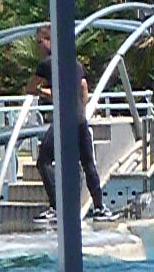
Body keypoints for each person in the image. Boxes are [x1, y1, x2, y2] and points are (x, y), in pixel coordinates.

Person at [25, 25, 107, 220]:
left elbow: (30, 88)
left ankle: (56, 206)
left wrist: (41, 91)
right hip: (80, 118)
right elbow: (83, 87)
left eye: (40, 42)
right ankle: (100, 207)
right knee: (88, 163)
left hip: (64, 119)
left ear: (49, 41)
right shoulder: (75, 64)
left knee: (43, 160)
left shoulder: (46, 64)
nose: (38, 47)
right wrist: (81, 108)